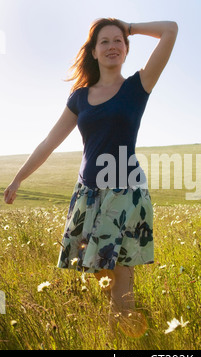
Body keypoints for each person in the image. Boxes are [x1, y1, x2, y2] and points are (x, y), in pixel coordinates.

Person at [3, 18, 178, 326]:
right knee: (103, 276)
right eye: (105, 42)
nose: (113, 46)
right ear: (94, 52)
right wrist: (19, 178)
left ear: (126, 49)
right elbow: (48, 142)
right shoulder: (80, 97)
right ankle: (123, 331)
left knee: (120, 279)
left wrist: (130, 26)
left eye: (118, 41)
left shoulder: (138, 86)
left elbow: (171, 29)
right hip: (88, 194)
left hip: (124, 192)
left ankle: (118, 340)